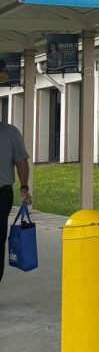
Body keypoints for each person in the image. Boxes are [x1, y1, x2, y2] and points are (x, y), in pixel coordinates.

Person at [0, 119, 32, 284]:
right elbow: (21, 162)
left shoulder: (10, 132)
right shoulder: (11, 131)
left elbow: (21, 161)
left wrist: (24, 187)